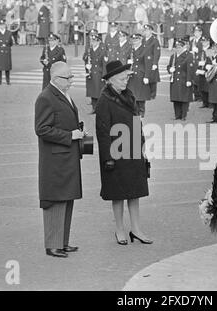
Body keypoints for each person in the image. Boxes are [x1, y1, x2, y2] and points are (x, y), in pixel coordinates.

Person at [95, 60, 152, 246]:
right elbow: (103, 132)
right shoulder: (104, 100)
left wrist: (142, 145)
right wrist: (108, 159)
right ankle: (119, 230)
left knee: (134, 192)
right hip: (116, 153)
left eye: (126, 78)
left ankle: (136, 230)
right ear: (111, 80)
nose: (125, 81)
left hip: (133, 151)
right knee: (118, 194)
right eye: (122, 78)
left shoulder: (129, 95)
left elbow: (138, 122)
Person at [34, 61, 86, 258]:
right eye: (68, 77)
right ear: (55, 79)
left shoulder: (62, 93)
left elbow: (64, 121)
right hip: (55, 160)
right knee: (55, 200)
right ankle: (52, 244)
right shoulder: (46, 98)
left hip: (66, 157)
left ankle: (62, 242)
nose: (72, 80)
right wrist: (69, 136)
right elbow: (41, 129)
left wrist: (78, 131)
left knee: (67, 199)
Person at [167, 37, 194, 121]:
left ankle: (183, 116)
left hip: (184, 79)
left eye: (179, 47)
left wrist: (189, 80)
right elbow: (169, 66)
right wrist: (169, 69)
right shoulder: (173, 56)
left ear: (183, 47)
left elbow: (190, 69)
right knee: (176, 98)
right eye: (176, 47)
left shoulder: (188, 55)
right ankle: (177, 115)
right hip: (175, 80)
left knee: (184, 98)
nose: (177, 49)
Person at [126, 33, 152, 118]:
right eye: (133, 40)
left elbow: (148, 64)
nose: (135, 42)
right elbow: (127, 58)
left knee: (141, 95)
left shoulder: (145, 49)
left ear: (140, 40)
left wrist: (147, 76)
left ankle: (141, 111)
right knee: (132, 94)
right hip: (132, 75)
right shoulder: (131, 49)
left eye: (136, 40)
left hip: (141, 74)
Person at [83, 34, 106, 114]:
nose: (93, 43)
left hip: (99, 73)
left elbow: (104, 64)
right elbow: (85, 59)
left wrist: (104, 75)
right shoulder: (90, 50)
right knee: (92, 91)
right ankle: (94, 108)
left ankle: (100, 108)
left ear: (99, 41)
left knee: (99, 91)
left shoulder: (102, 50)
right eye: (92, 41)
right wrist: (87, 65)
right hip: (91, 72)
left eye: (95, 41)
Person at [142, 23, 161, 99]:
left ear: (151, 31)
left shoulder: (154, 40)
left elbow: (157, 53)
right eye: (145, 30)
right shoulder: (142, 40)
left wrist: (155, 63)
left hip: (151, 62)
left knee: (152, 78)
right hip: (143, 62)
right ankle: (146, 93)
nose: (146, 32)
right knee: (145, 77)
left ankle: (153, 94)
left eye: (147, 30)